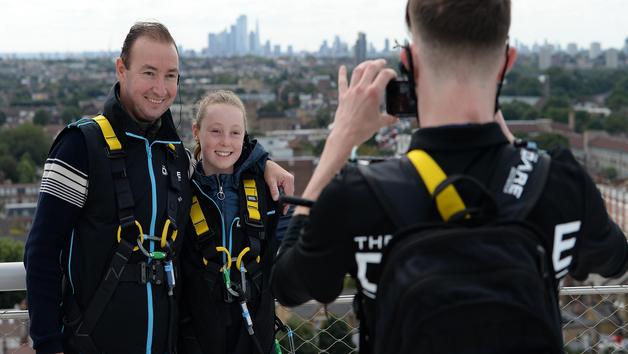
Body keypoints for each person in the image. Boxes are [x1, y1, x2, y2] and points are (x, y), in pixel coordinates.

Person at [271, 0, 628, 353]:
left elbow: (287, 285)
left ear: (409, 63)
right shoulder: (562, 185)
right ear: (508, 62)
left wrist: (338, 143)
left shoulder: (357, 196)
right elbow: (615, 260)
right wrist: (513, 145)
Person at [24, 22, 293, 354]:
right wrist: (48, 345)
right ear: (121, 69)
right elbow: (41, 253)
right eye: (149, 73)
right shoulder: (80, 146)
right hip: (90, 342)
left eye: (171, 76)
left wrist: (263, 161)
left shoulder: (176, 158)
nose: (160, 88)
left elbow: (223, 166)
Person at [177, 90, 283, 354]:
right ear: (196, 131)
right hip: (197, 334)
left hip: (254, 332)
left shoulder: (264, 191)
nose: (225, 141)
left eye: (235, 133)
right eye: (215, 131)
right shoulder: (180, 190)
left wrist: (264, 162)